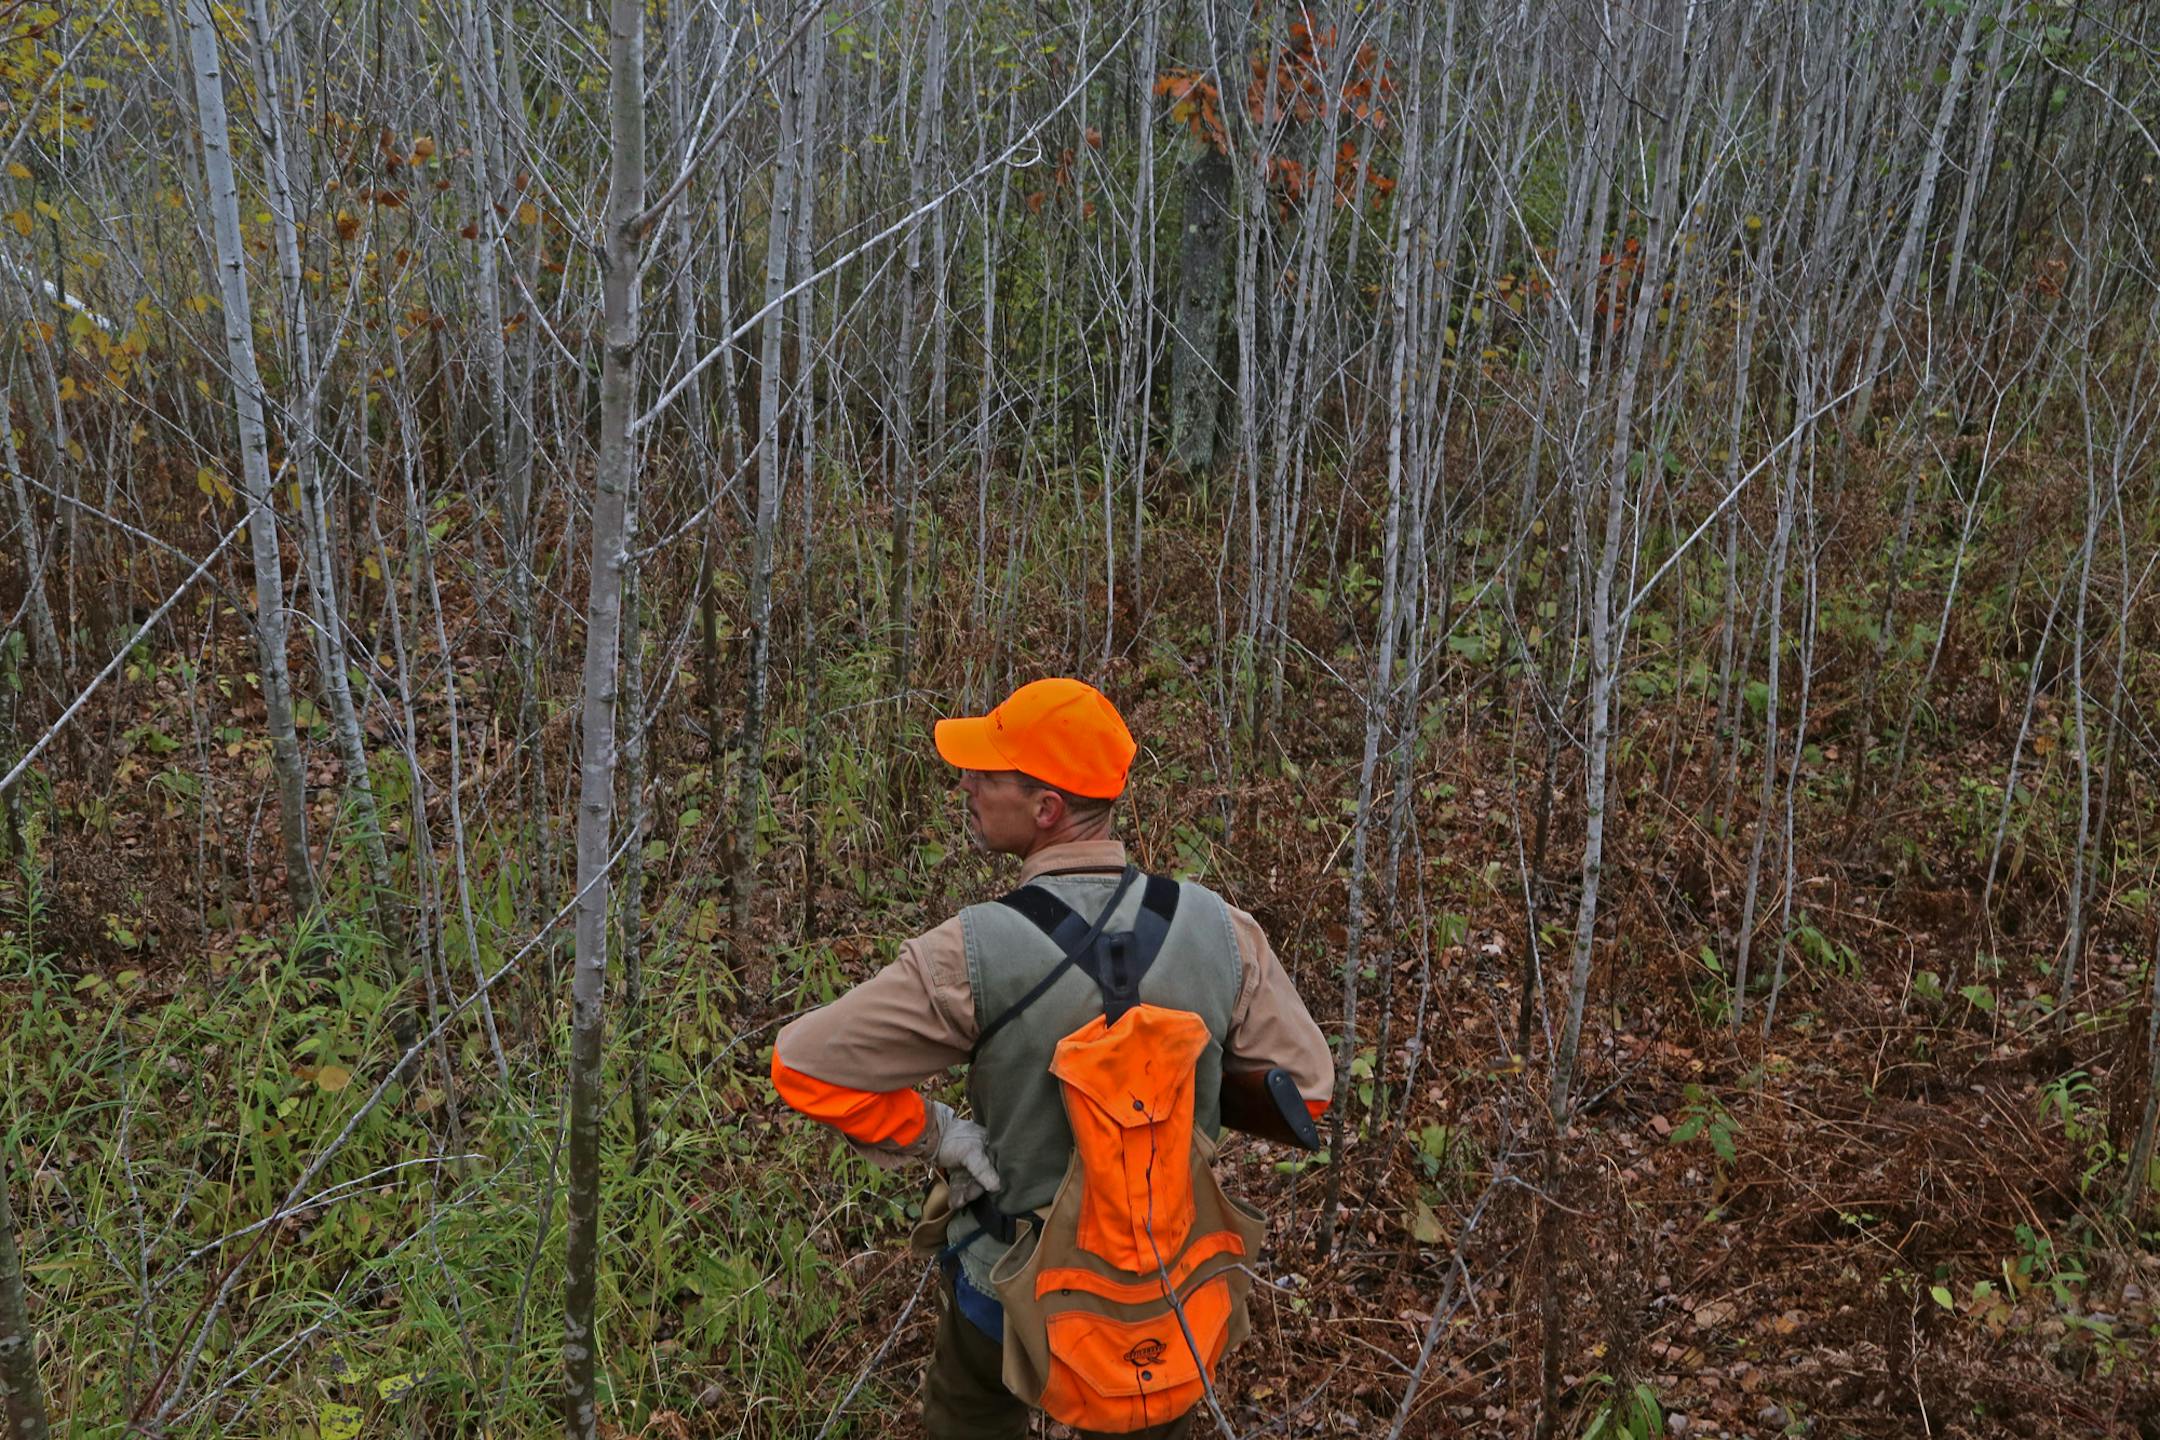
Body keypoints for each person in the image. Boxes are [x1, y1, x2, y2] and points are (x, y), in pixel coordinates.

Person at [772, 677, 1332, 1439]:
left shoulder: (970, 952)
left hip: (1003, 1293)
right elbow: (1308, 1090)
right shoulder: (1220, 930)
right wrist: (1170, 1110)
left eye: (988, 774)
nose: (965, 784)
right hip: (1164, 1299)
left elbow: (803, 1065)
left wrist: (936, 1135)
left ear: (1047, 811)